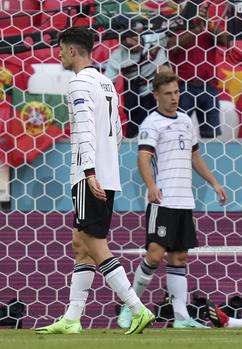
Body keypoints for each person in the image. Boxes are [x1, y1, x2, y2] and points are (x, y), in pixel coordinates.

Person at [35, 27, 154, 335]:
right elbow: (118, 130)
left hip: (89, 176)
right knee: (80, 244)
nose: (58, 54)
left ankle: (137, 308)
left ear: (72, 50)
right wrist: (104, 166)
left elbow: (85, 129)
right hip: (106, 174)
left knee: (93, 242)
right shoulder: (106, 83)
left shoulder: (78, 84)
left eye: (61, 49)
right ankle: (72, 319)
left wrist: (89, 172)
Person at [116, 73, 228, 329]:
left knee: (179, 259)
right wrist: (151, 186)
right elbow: (143, 158)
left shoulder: (186, 121)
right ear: (156, 95)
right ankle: (131, 307)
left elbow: (195, 156)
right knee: (154, 255)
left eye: (177, 92)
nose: (174, 97)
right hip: (162, 200)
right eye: (168, 93)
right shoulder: (151, 123)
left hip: (184, 200)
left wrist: (214, 182)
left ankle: (181, 318)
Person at [170, 1, 230, 138]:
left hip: (208, 88)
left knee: (211, 135)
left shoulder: (211, 31)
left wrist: (207, 24)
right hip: (184, 88)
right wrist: (196, 29)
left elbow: (224, 41)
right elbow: (173, 47)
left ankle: (210, 159)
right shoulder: (178, 29)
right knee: (179, 133)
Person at [105, 23, 172, 138]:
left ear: (140, 33)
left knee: (161, 130)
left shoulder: (154, 39)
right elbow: (107, 83)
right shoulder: (117, 56)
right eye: (125, 39)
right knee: (133, 132)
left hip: (156, 91)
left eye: (133, 36)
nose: (130, 41)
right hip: (134, 94)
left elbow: (173, 32)